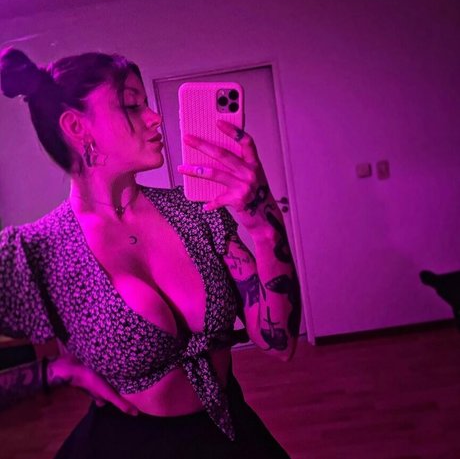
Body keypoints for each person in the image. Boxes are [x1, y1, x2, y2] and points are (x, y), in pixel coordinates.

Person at [0, 47, 301, 458]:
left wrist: (263, 224)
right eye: (132, 105)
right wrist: (52, 371)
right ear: (76, 126)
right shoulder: (38, 251)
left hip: (232, 434)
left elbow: (279, 344)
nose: (155, 117)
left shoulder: (195, 212)